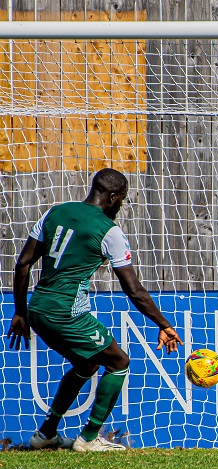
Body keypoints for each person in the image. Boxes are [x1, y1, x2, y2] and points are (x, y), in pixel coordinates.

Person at [6, 168, 183, 452]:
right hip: (67, 312)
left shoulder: (55, 212)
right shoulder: (108, 230)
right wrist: (163, 324)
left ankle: (46, 434)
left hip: (38, 309)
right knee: (119, 362)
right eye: (122, 200)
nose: (121, 206)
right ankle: (88, 438)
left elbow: (23, 262)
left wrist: (20, 313)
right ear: (113, 197)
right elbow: (133, 289)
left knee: (86, 364)